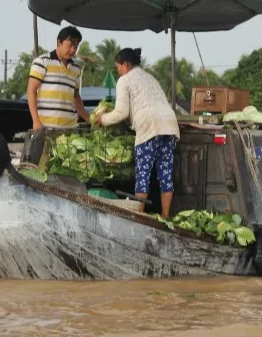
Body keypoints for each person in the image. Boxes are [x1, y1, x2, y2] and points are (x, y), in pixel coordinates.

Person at [96, 48, 180, 218]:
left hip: (149, 126)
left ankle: (139, 216)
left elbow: (121, 112)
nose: (118, 71)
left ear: (125, 65)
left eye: (118, 67)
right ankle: (165, 217)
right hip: (169, 125)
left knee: (143, 173)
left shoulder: (125, 80)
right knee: (165, 174)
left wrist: (102, 119)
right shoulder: (150, 78)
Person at [27, 25, 90, 131]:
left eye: (76, 46)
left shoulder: (76, 68)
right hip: (46, 128)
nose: (73, 50)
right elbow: (31, 90)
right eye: (70, 45)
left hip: (70, 129)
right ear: (59, 42)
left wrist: (88, 119)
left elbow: (75, 97)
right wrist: (36, 121)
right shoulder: (42, 61)